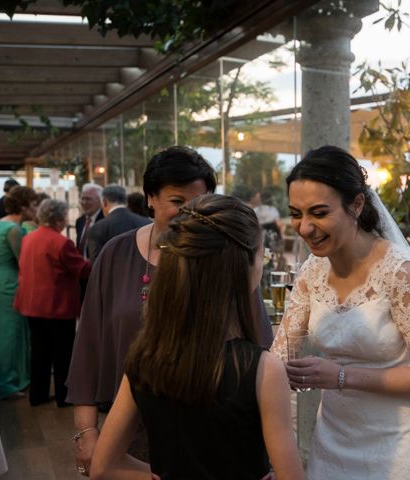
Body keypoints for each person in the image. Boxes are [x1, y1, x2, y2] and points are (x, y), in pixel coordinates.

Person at [272, 146, 410, 479]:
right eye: (296, 213)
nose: (305, 227)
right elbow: (282, 351)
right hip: (334, 443)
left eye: (319, 213)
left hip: (401, 448)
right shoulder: (311, 273)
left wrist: (339, 375)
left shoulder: (403, 275)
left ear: (356, 205)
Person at [67, 146, 274, 477]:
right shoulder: (115, 255)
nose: (189, 214)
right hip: (128, 431)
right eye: (178, 202)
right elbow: (89, 346)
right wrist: (87, 431)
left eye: (198, 203)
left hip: (214, 432)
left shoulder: (224, 262)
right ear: (150, 197)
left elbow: (258, 341)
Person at [91, 194, 303, 480]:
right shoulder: (262, 370)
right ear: (244, 265)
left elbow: (103, 467)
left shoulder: (145, 359)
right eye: (261, 256)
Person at [14, 199, 91, 407]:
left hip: (32, 304)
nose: (66, 220)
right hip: (56, 305)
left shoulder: (28, 238)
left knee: (39, 351)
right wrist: (100, 260)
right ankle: (63, 396)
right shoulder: (61, 242)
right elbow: (81, 269)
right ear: (58, 219)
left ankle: (37, 395)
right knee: (62, 353)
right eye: (65, 216)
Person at [0, 185, 38, 399]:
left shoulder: (0, 223)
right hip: (8, 283)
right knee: (8, 334)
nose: (36, 208)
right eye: (33, 205)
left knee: (1, 331)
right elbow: (23, 260)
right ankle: (7, 382)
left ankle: (4, 377)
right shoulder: (14, 229)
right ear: (23, 207)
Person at [86, 184, 151, 262]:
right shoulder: (147, 223)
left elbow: (96, 264)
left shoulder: (97, 228)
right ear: (125, 201)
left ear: (104, 202)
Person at [76, 183, 104, 258]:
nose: (84, 202)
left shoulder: (105, 222)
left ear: (100, 201)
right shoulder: (80, 221)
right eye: (82, 199)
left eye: (88, 199)